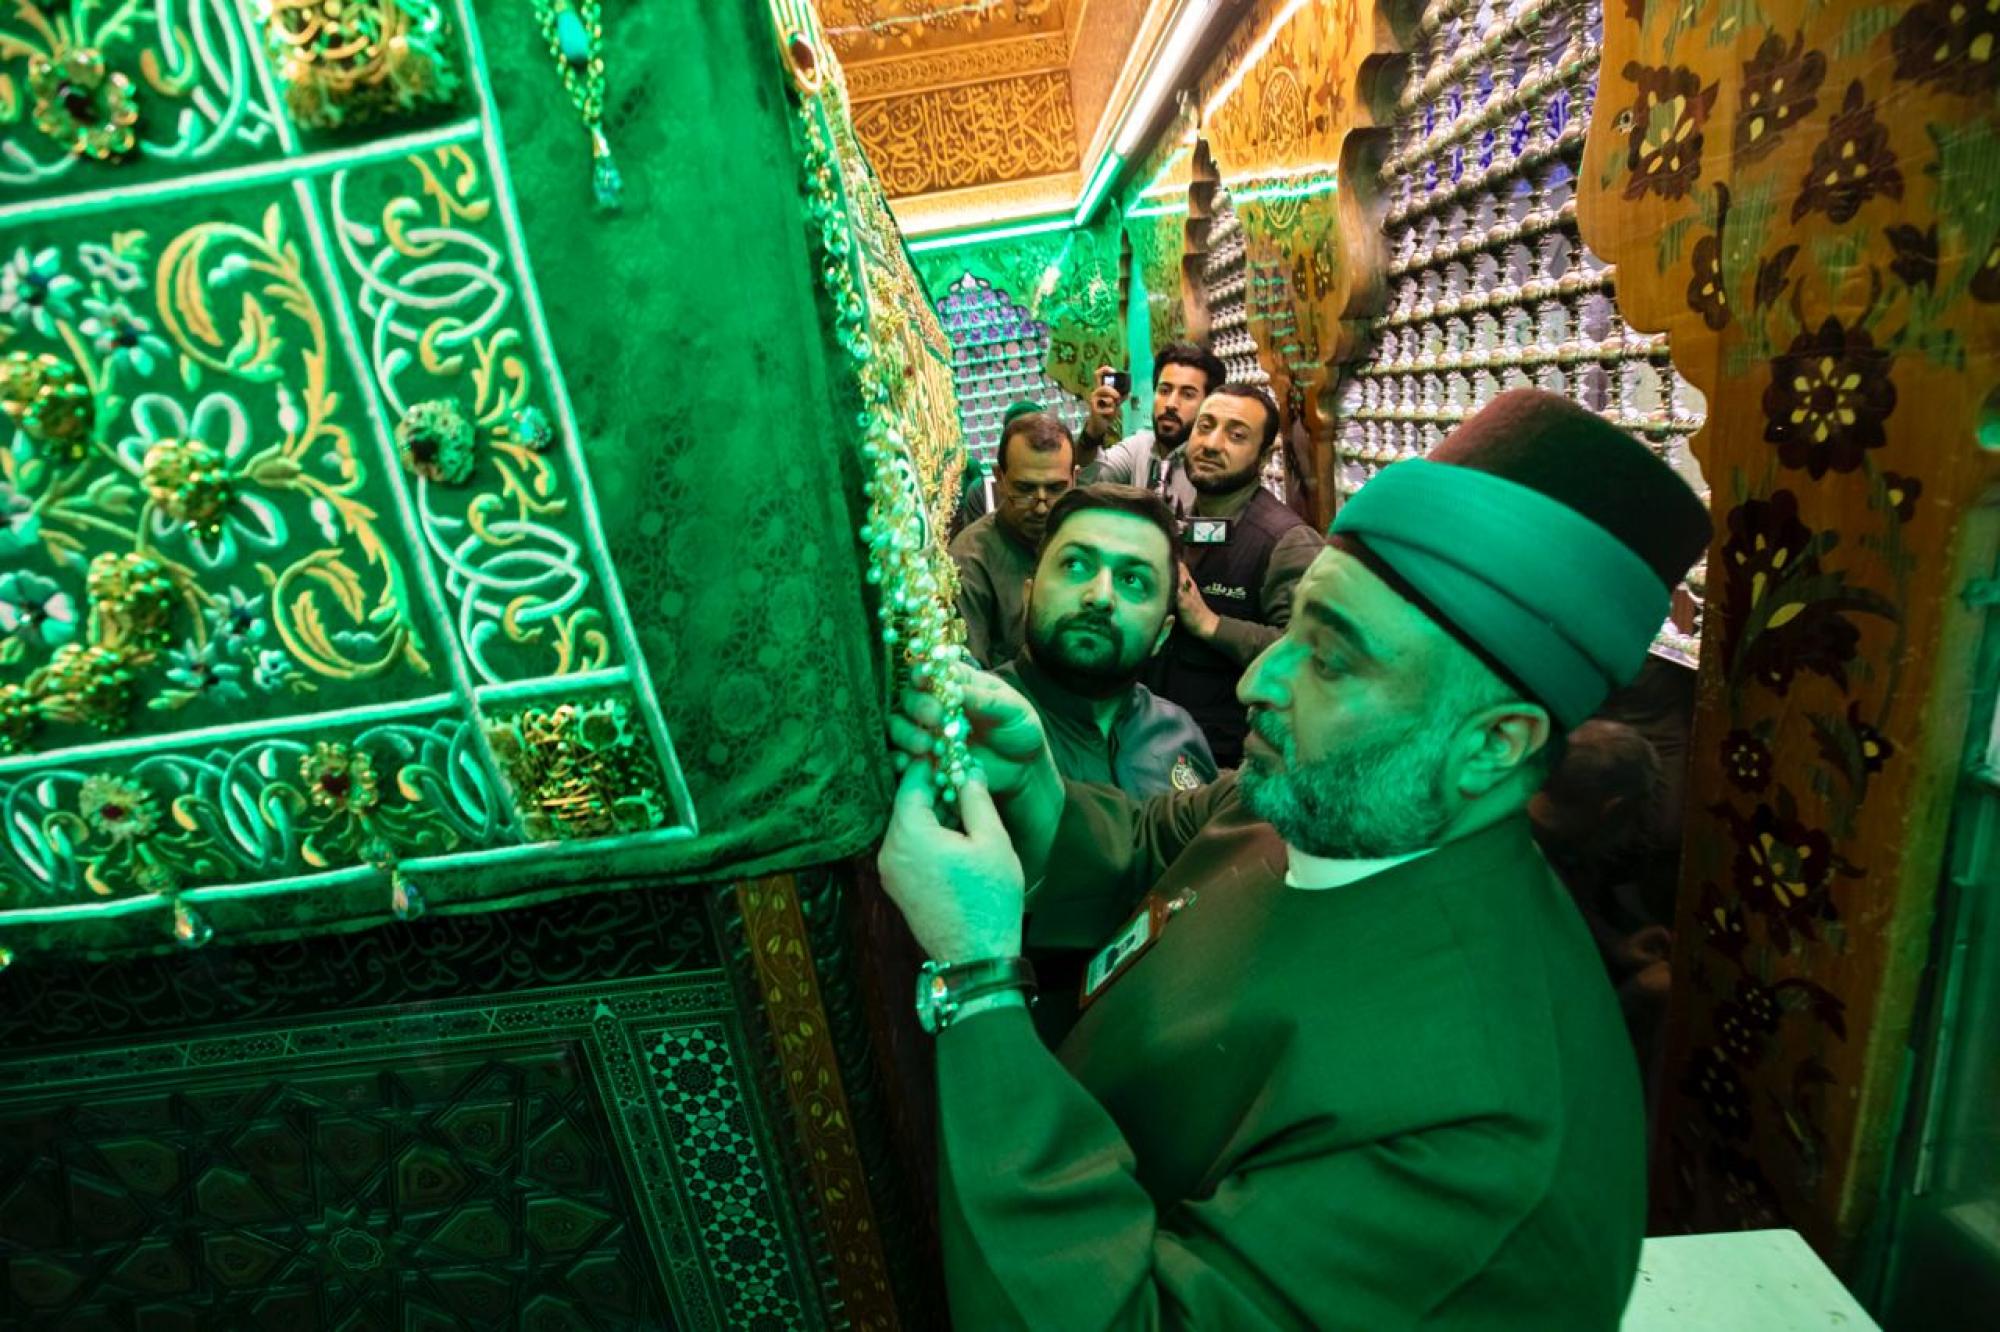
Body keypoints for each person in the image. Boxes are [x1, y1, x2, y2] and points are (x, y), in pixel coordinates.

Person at [876, 388, 1713, 1329]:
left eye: (1330, 659)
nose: (1257, 679)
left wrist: (978, 984)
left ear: (1492, 744)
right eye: (1294, 630)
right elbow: (1148, 846)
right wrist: (1034, 780)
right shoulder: (1322, 801)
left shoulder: (1478, 1132)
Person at [995, 483, 1216, 799]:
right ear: (1027, 595)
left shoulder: (1179, 735)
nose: (1100, 596)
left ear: (1163, 633)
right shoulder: (974, 725)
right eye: (1074, 564)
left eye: (1132, 580)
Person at [1149, 383, 1323, 767]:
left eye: (1236, 435)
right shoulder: (1187, 523)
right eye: (1205, 426)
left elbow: (1310, 654)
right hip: (1165, 747)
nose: (1212, 444)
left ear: (1263, 457)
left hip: (1234, 766)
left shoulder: (1286, 541)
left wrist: (1212, 625)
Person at [950, 411, 1075, 668]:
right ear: (1000, 479)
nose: (1041, 507)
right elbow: (971, 680)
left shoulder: (1085, 540)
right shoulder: (969, 562)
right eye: (1025, 489)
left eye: (1055, 489)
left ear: (1075, 479)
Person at [1090, 342, 1228, 507]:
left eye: (1187, 394)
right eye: (1164, 391)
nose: (1170, 404)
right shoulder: (1139, 447)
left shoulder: (1212, 464)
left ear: (1209, 404)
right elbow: (1088, 482)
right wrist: (1093, 431)